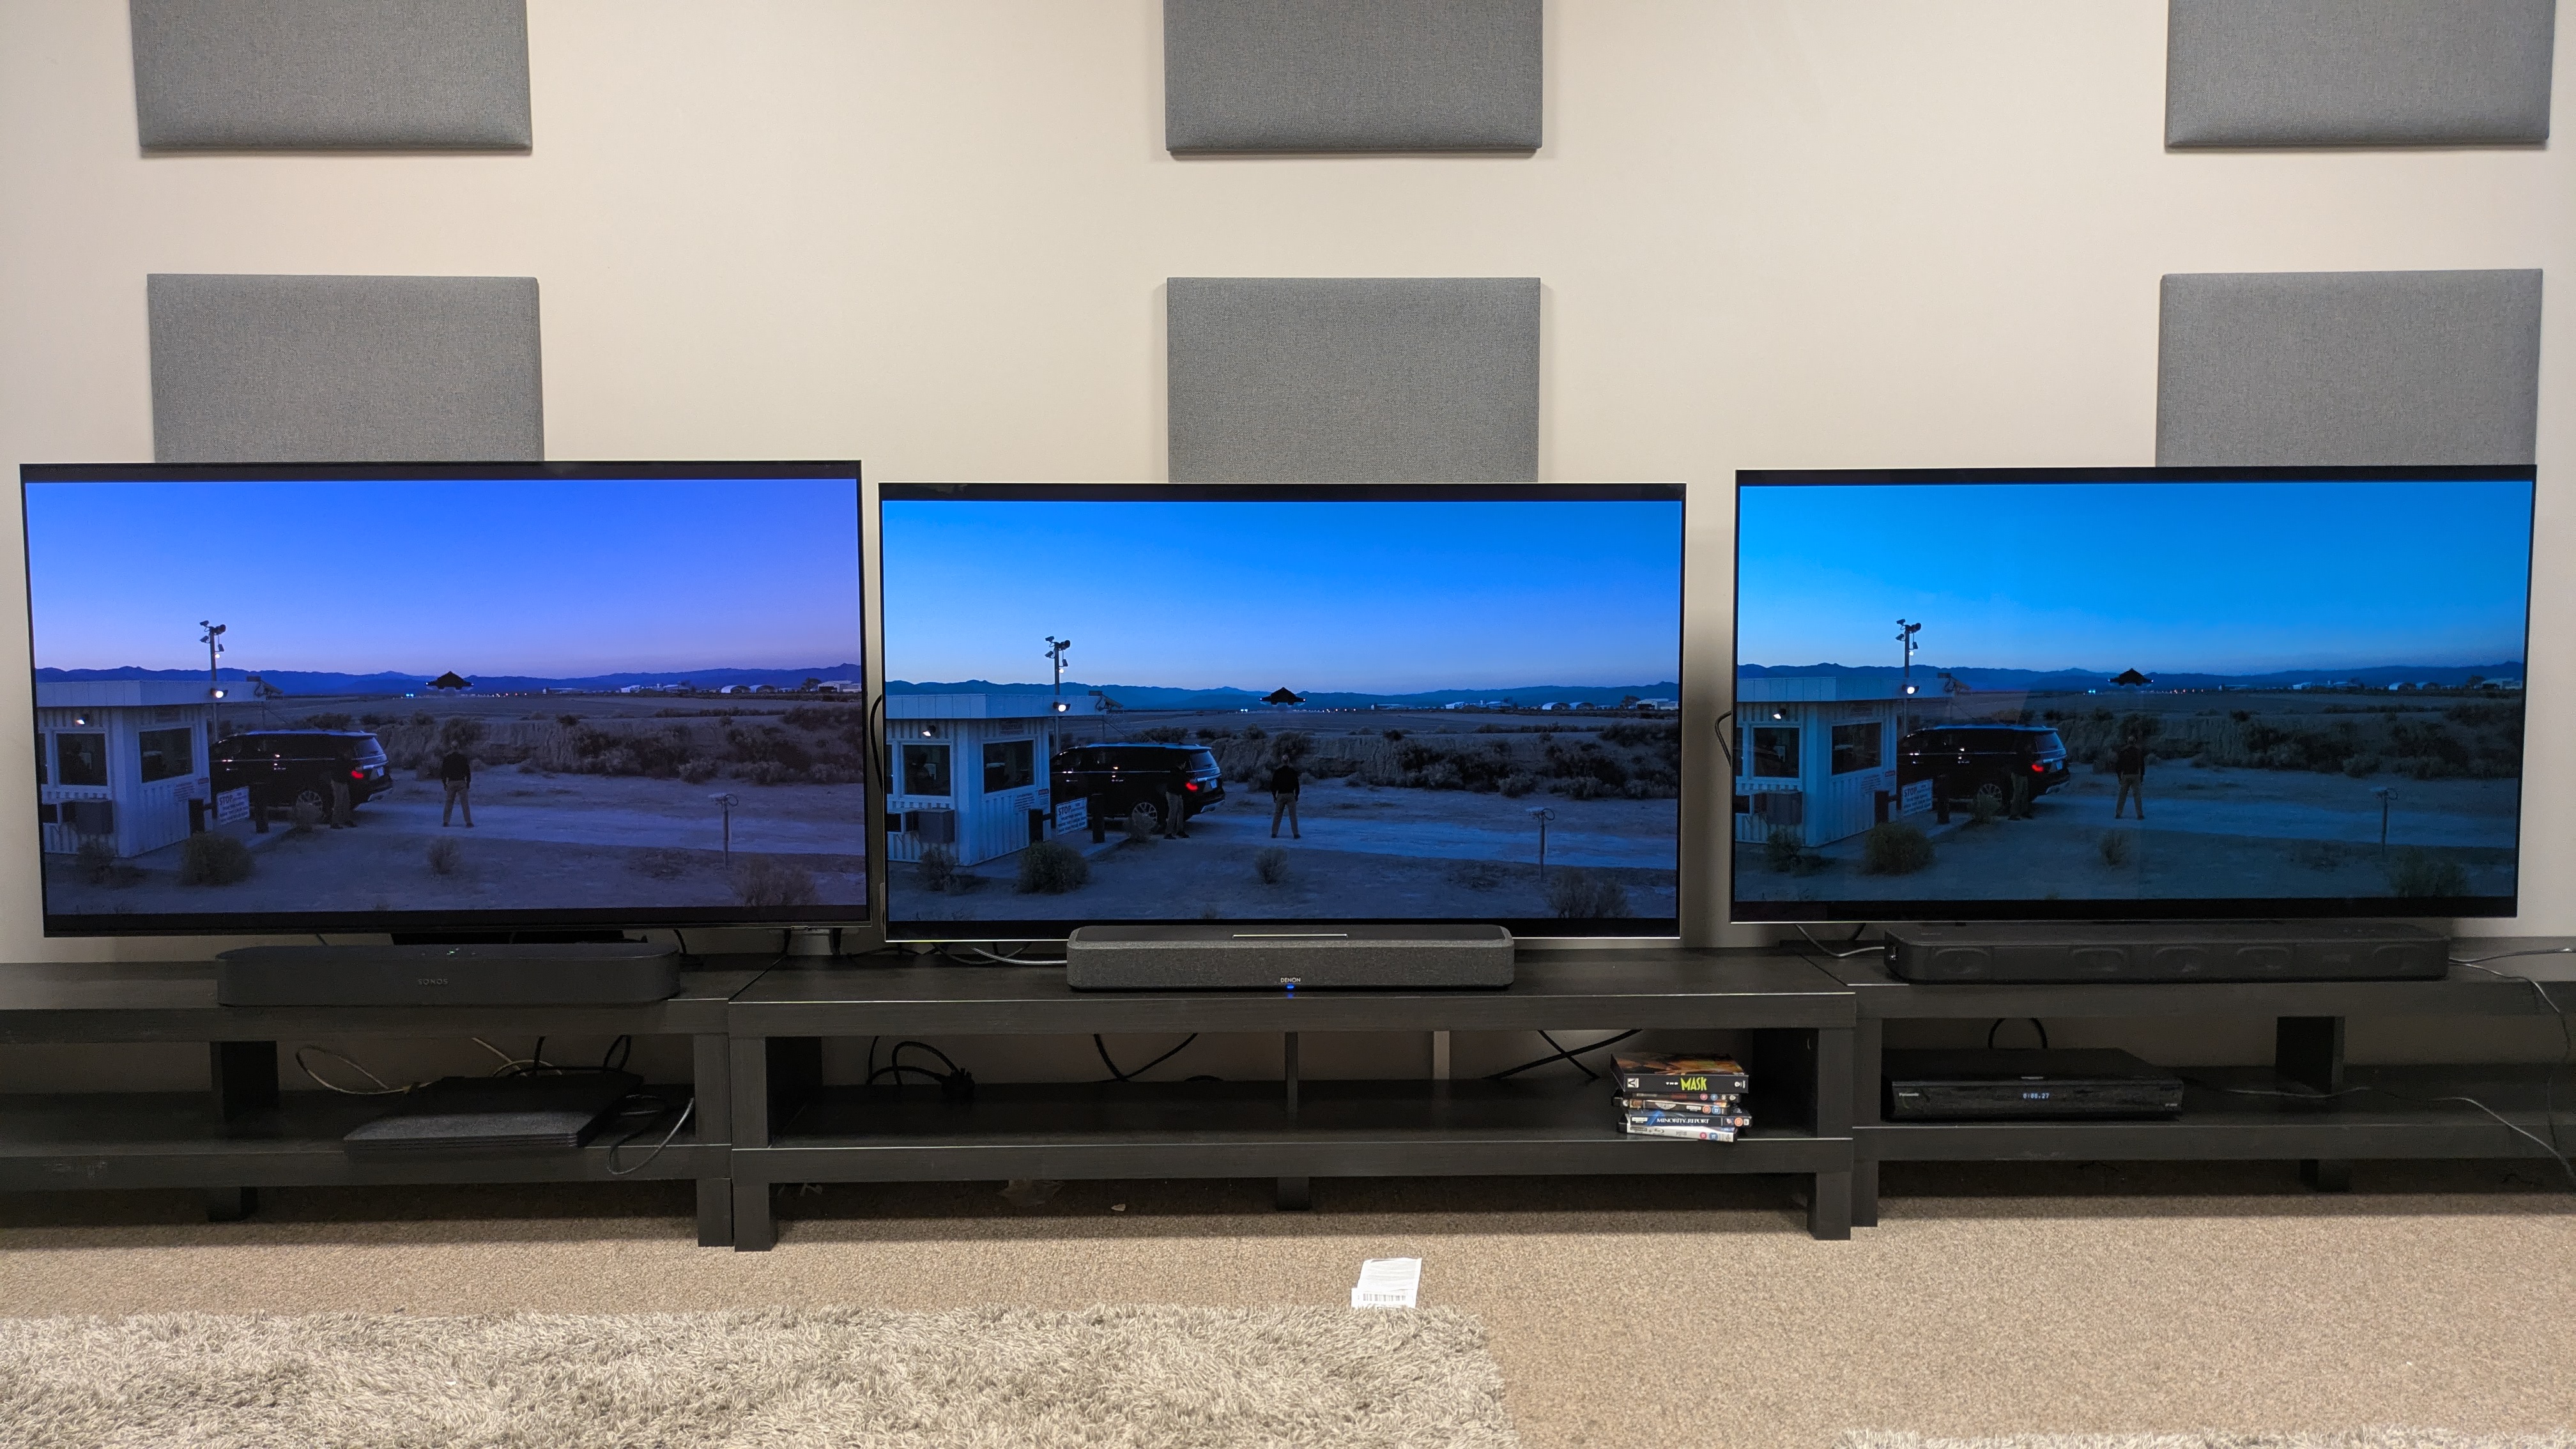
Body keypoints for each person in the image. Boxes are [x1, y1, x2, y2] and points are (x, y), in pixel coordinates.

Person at [440, 746, 475, 827]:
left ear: (452, 748)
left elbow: (444, 772)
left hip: (451, 782)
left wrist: (444, 783)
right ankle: (468, 822)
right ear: (458, 748)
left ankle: (446, 821)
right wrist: (468, 783)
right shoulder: (463, 758)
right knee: (465, 803)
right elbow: (468, 771)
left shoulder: (448, 758)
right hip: (461, 782)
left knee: (449, 803)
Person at [2113, 738, 2147, 820]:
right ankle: (2139, 814)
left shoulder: (2123, 751)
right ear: (2134, 742)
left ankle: (2118, 813)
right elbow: (2142, 765)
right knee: (2137, 796)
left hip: (2126, 775)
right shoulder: (2138, 751)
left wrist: (2119, 777)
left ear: (2128, 742)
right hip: (2135, 775)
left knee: (2122, 795)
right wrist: (2141, 776)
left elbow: (2119, 766)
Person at [1268, 760, 1301, 839]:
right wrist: (1296, 796)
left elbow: (1273, 785)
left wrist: (1274, 796)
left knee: (1278, 815)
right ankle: (1296, 834)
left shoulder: (1278, 772)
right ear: (1288, 762)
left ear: (1282, 761)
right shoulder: (1292, 772)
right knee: (1293, 815)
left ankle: (1274, 833)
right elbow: (1297, 785)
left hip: (1281, 795)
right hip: (1290, 795)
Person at [1161, 773, 1190, 839]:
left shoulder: (1180, 772)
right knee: (1173, 812)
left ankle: (1180, 831)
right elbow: (1182, 781)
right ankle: (1168, 833)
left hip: (1178, 793)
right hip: (1172, 793)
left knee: (1180, 811)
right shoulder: (1176, 773)